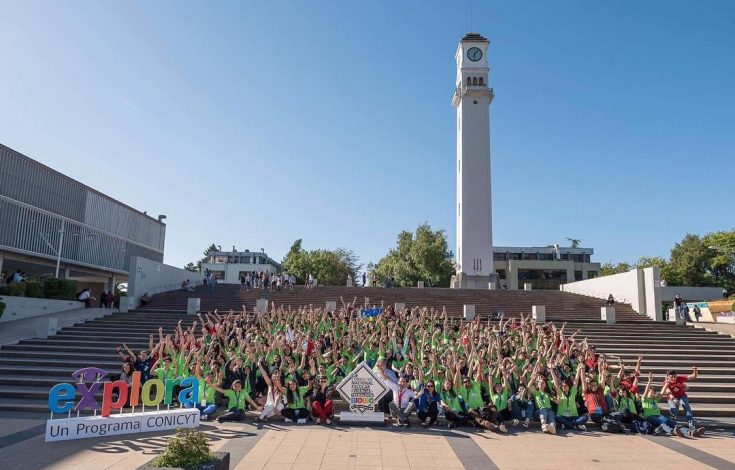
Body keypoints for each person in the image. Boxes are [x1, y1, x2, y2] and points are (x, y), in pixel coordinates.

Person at [662, 368, 705, 437]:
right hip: (671, 398)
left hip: (682, 396)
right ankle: (674, 426)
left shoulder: (680, 378)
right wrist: (674, 399)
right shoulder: (666, 382)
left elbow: (693, 376)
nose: (674, 379)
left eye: (675, 376)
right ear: (667, 377)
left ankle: (691, 426)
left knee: (686, 406)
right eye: (671, 377)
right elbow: (668, 392)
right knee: (674, 408)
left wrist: (695, 371)